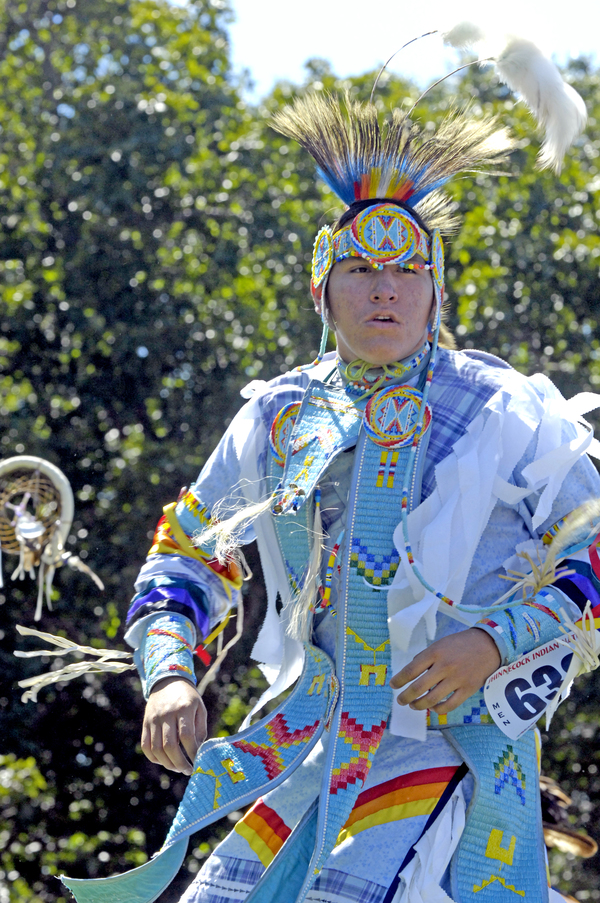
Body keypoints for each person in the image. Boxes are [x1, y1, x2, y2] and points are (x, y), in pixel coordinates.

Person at [62, 91, 600, 903]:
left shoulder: (501, 410)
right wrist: (170, 674)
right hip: (315, 736)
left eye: (405, 270)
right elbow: (184, 556)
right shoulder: (278, 416)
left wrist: (492, 643)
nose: (384, 290)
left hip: (449, 741)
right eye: (360, 269)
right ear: (322, 289)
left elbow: (591, 546)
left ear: (435, 291)